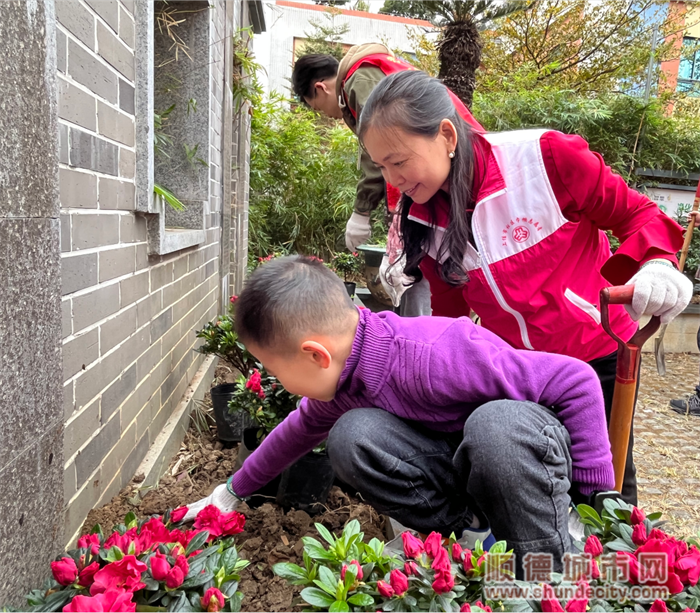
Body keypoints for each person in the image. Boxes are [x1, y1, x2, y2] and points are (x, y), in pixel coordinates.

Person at [358, 71, 692, 506]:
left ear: (445, 135)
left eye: (398, 162)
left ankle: (610, 564)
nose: (392, 180)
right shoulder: (426, 214)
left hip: (597, 353)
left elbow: (637, 214)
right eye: (380, 166)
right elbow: (452, 314)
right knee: (528, 478)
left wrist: (657, 265)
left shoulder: (544, 161)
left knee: (605, 489)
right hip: (521, 370)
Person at [184, 255, 615, 573]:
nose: (274, 379)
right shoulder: (345, 380)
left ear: (315, 355)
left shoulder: (435, 355)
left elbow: (575, 380)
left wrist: (592, 498)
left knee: (494, 428)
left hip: (524, 451)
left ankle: (551, 563)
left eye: (274, 369)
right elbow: (293, 433)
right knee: (352, 436)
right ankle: (470, 531)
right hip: (467, 460)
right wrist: (229, 494)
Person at [291, 44, 483, 315]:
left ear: (321, 89)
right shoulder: (369, 72)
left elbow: (381, 146)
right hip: (446, 178)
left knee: (425, 267)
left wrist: (361, 211)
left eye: (319, 108)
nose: (328, 116)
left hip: (459, 178)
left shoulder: (359, 80)